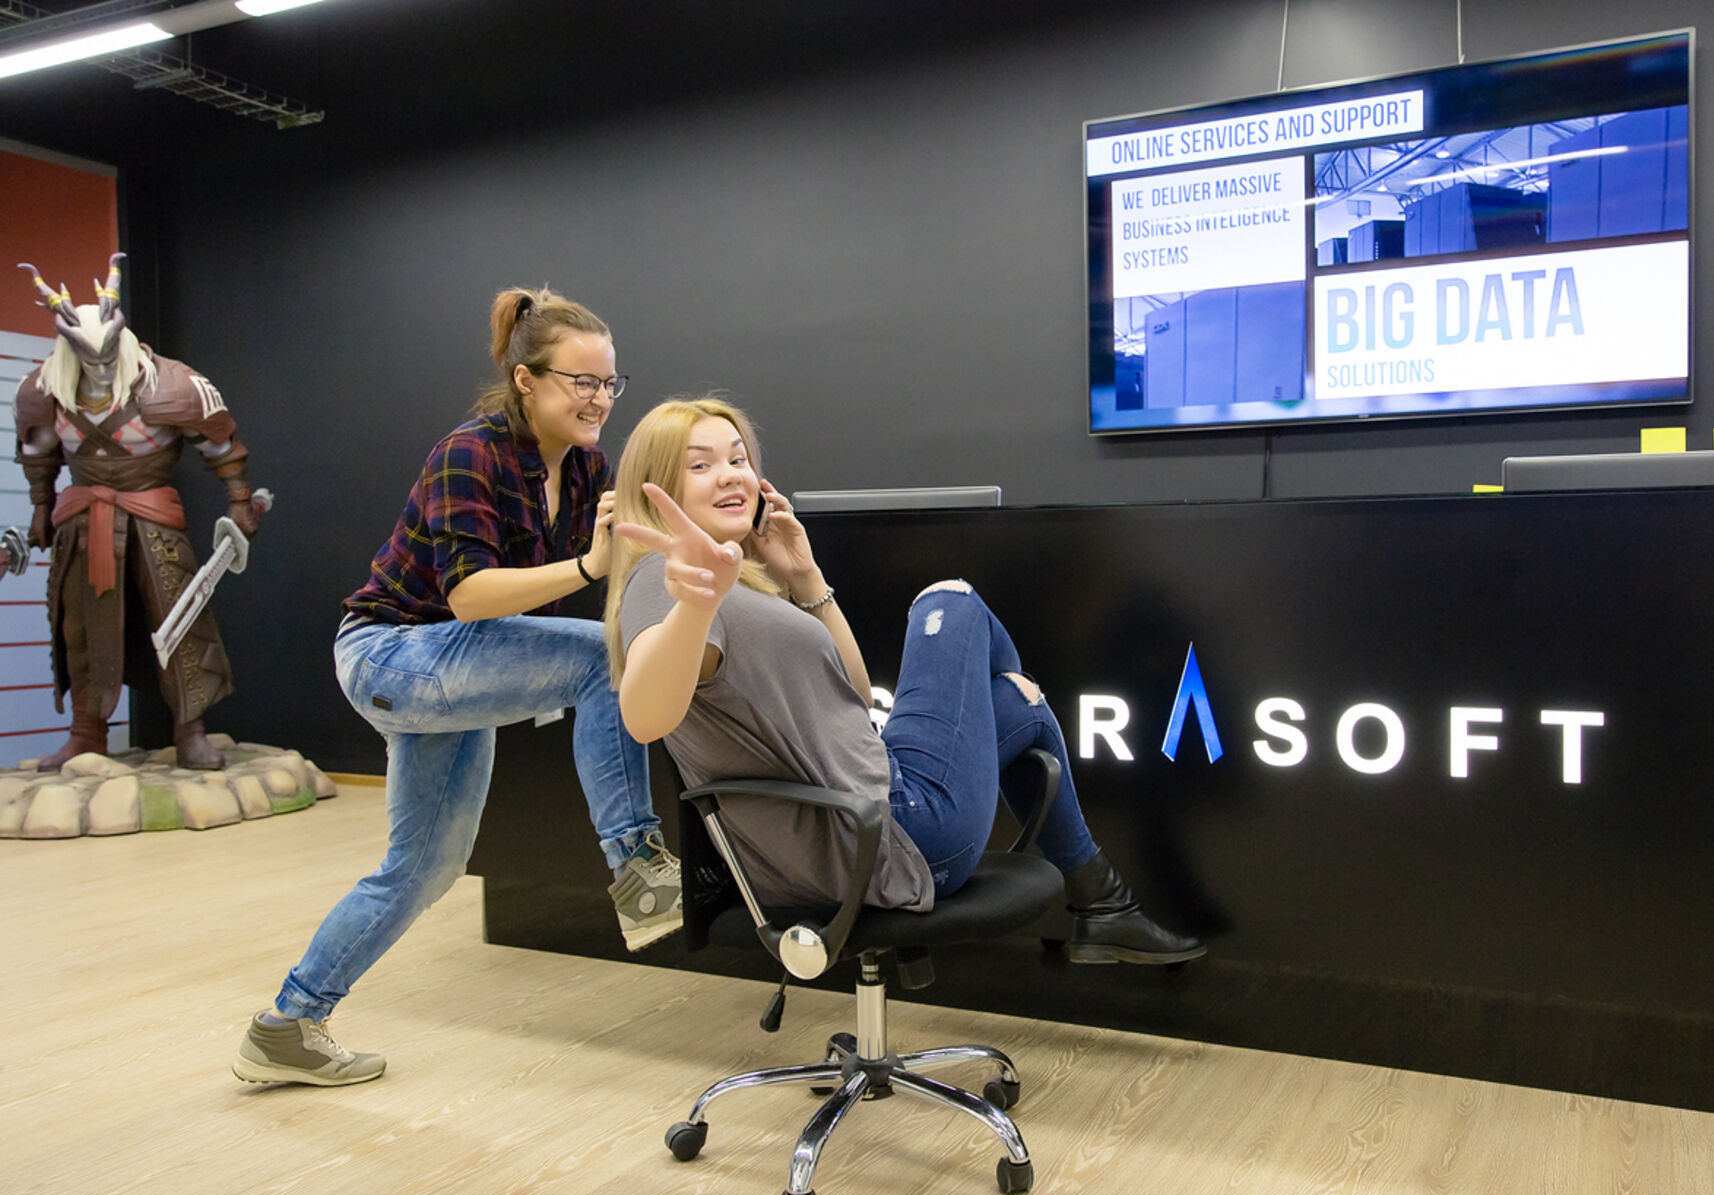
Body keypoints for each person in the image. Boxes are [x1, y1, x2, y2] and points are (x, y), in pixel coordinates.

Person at [233, 288, 673, 1087]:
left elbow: (590, 587)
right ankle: (637, 862)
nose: (600, 400)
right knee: (599, 658)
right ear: (527, 380)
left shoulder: (586, 471)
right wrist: (587, 567)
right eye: (583, 382)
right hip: (390, 654)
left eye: (611, 383)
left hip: (460, 666)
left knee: (425, 868)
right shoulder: (467, 453)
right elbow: (470, 594)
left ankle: (286, 1025)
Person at [605, 397, 1203, 964]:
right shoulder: (664, 580)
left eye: (739, 458)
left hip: (865, 827)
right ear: (656, 491)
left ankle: (1103, 904)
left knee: (1019, 708)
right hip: (887, 839)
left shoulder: (738, 583)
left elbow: (857, 697)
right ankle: (1101, 898)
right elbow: (645, 716)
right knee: (951, 601)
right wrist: (693, 606)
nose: (732, 475)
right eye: (702, 465)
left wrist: (806, 578)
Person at [14, 255, 259, 771]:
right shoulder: (43, 392)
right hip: (81, 521)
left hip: (153, 518)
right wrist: (40, 508)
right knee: (78, 628)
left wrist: (239, 501)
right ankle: (86, 733)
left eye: (105, 356)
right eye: (87, 358)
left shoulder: (169, 382)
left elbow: (219, 443)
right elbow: (38, 453)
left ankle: (190, 731)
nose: (99, 369)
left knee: (179, 621)